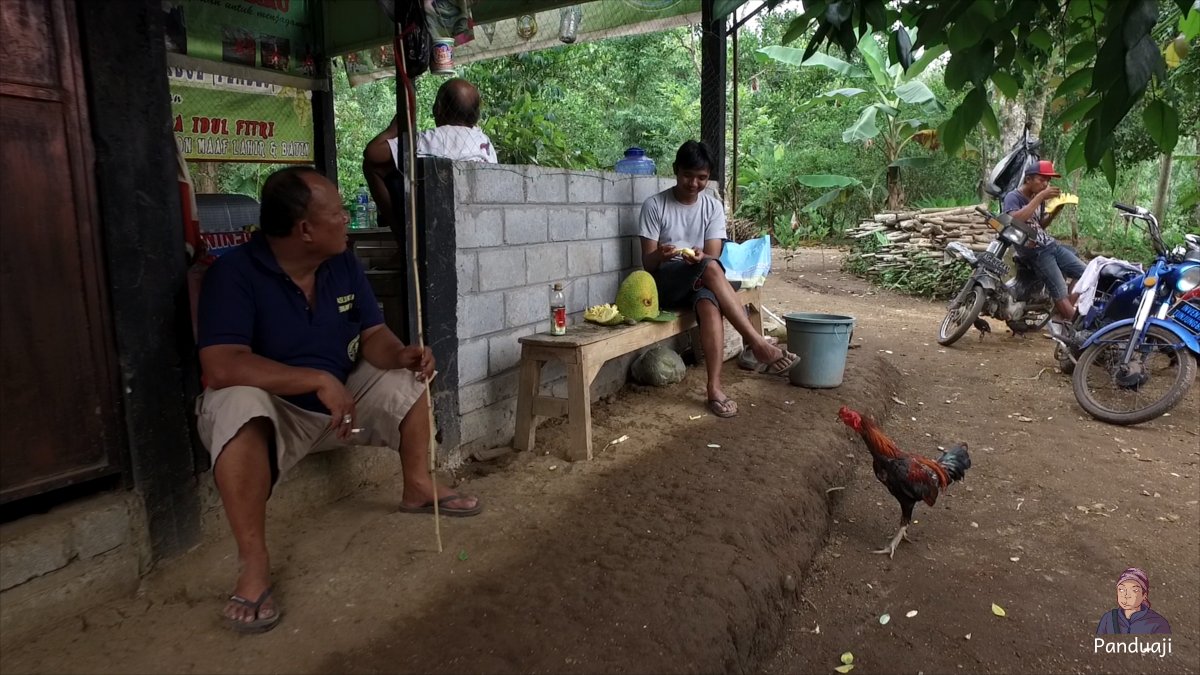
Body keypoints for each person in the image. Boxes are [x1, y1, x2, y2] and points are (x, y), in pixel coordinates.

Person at [196, 166, 481, 634]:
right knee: (234, 405)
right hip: (277, 410)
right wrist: (313, 379)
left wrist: (402, 353)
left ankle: (417, 486)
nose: (348, 219)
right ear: (305, 229)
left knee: (410, 378)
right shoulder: (234, 273)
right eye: (338, 213)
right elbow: (222, 364)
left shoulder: (342, 263)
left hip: (344, 399)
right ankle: (253, 564)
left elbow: (373, 335)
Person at [638, 140, 799, 419]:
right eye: (688, 175)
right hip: (666, 285)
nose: (693, 183)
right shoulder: (655, 205)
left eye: (701, 178)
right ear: (676, 171)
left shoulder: (712, 207)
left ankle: (714, 389)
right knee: (712, 271)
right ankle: (756, 343)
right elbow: (647, 262)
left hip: (700, 278)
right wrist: (663, 256)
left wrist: (699, 256)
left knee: (708, 302)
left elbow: (711, 255)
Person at [362, 78, 496, 235]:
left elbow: (372, 153)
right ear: (475, 114)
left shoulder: (433, 138)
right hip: (478, 220)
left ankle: (403, 240)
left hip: (436, 218)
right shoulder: (484, 142)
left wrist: (396, 125)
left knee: (372, 166)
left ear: (438, 108)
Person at [1001, 160, 1086, 334]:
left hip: (1050, 245)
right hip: (1035, 252)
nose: (1046, 184)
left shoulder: (1037, 198)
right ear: (1028, 179)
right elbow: (1015, 220)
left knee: (1086, 273)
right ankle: (1078, 333)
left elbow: (1039, 224)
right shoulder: (1013, 197)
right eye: (1042, 179)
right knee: (1060, 291)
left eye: (1048, 180)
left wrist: (1055, 211)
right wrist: (1041, 197)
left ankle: (1062, 316)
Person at [1095, 567, 1172, 634]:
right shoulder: (1108, 619)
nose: (1126, 595)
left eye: (1134, 590)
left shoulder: (1157, 623)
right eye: (1121, 589)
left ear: (1144, 595)